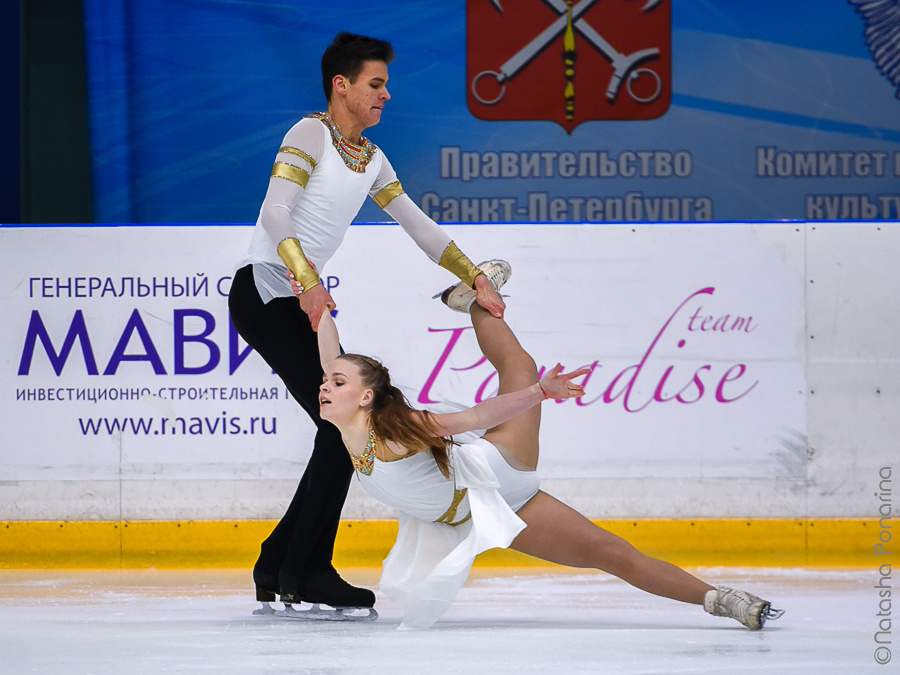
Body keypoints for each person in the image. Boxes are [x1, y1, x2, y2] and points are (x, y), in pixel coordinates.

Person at [311, 260, 785, 630]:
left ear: (366, 397)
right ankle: (721, 600)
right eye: (327, 381)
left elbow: (475, 417)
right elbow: (329, 350)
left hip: (497, 473)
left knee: (520, 369)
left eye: (336, 382)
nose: (324, 386)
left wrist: (540, 393)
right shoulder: (348, 425)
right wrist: (315, 299)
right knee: (608, 551)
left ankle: (475, 300)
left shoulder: (396, 428)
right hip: (471, 513)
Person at [228, 31, 506, 611]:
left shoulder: (370, 157)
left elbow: (417, 224)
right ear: (342, 85)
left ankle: (283, 562)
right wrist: (306, 280)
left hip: (302, 299)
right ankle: (299, 567)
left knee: (342, 430)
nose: (384, 96)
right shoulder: (309, 134)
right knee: (343, 428)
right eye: (375, 85)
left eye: (385, 86)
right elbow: (276, 211)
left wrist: (472, 272)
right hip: (266, 292)